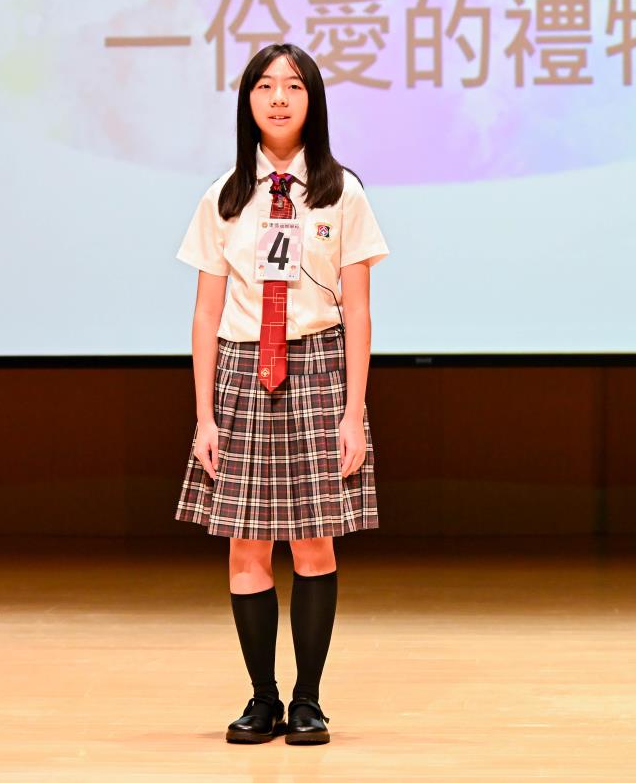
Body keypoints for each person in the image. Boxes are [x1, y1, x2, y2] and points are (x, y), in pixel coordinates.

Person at [173, 43, 389, 746]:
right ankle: (262, 697)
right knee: (247, 547)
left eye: (293, 86)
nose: (277, 98)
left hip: (318, 368)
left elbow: (359, 312)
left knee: (314, 544)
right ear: (247, 102)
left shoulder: (341, 192)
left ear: (312, 101)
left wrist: (354, 414)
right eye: (264, 86)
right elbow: (205, 314)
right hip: (243, 371)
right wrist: (203, 416)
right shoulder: (224, 196)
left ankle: (308, 700)